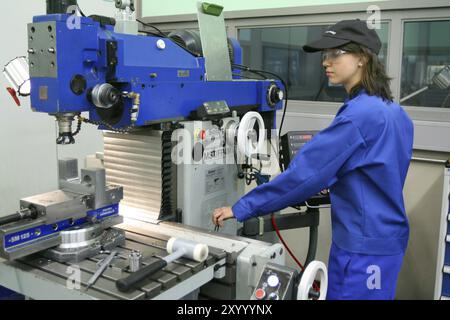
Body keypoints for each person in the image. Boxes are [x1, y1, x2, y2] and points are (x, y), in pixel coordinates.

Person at [212, 19, 414, 300]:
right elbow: (377, 173)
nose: (325, 62)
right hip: (385, 240)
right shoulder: (394, 111)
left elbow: (304, 176)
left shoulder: (359, 115)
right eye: (325, 55)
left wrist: (242, 207)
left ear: (362, 58)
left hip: (363, 250)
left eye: (335, 54)